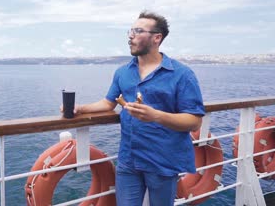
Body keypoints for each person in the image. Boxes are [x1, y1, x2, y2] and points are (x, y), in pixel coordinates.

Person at [71, 11, 205, 206]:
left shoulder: (182, 74)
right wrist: (80, 108)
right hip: (129, 159)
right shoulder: (123, 72)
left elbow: (194, 121)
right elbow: (109, 103)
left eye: (138, 31)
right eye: (130, 31)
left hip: (162, 162)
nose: (130, 36)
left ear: (156, 38)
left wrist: (156, 116)